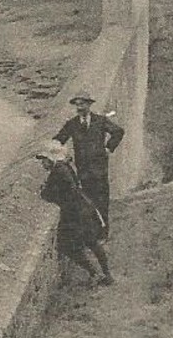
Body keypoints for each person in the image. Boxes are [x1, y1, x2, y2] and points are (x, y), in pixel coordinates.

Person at [37, 142, 112, 286]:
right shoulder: (65, 168)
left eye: (44, 160)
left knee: (67, 246)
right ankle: (106, 275)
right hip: (84, 207)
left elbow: (54, 194)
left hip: (75, 214)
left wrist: (47, 192)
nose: (42, 163)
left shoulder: (58, 172)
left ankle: (95, 273)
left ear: (51, 159)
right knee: (92, 242)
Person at [53, 93, 125, 238]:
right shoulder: (72, 124)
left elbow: (118, 131)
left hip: (100, 169)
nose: (79, 108)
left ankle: (103, 234)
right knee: (87, 202)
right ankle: (91, 234)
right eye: (77, 105)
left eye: (82, 104)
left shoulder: (100, 121)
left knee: (102, 201)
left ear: (89, 105)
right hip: (83, 171)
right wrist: (63, 153)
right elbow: (58, 140)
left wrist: (108, 147)